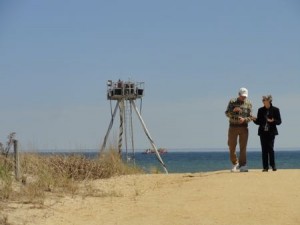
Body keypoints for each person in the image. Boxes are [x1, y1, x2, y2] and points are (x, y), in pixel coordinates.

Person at [225, 87, 254, 172]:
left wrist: (244, 119)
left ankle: (243, 165)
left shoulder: (249, 103)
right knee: (231, 146)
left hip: (244, 128)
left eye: (245, 96)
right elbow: (227, 113)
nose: (244, 97)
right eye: (242, 96)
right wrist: (233, 110)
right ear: (239, 94)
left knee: (243, 147)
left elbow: (251, 117)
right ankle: (235, 163)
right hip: (233, 127)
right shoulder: (232, 102)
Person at [252, 95, 281, 172]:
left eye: (264, 100)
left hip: (271, 132)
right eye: (263, 100)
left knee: (270, 149)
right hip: (262, 132)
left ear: (269, 101)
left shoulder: (275, 110)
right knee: (264, 150)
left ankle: (273, 166)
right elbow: (258, 122)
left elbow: (279, 122)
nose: (263, 101)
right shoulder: (260, 110)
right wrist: (253, 119)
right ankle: (265, 167)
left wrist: (273, 121)